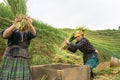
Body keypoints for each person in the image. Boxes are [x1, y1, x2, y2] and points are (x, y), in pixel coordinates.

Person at [0, 16, 36, 80]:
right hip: (11, 55)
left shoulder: (28, 31)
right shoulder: (13, 29)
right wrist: (14, 25)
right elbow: (4, 35)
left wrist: (30, 24)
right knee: (8, 76)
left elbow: (34, 34)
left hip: (23, 56)